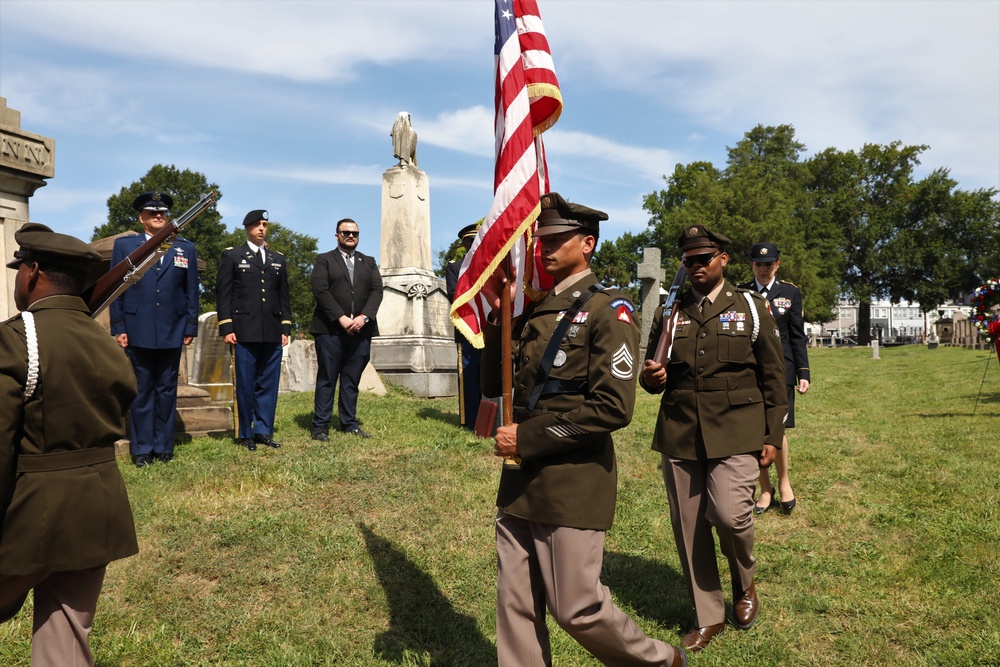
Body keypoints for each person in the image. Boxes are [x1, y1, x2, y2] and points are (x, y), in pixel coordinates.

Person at [481, 193, 688, 667]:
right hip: (521, 478)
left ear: (587, 244)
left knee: (577, 607)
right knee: (515, 605)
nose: (545, 248)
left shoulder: (607, 310)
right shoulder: (537, 307)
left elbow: (612, 408)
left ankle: (661, 661)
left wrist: (527, 440)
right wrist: (499, 314)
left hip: (572, 477)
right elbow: (496, 383)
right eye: (542, 240)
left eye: (557, 239)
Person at [640, 225, 787, 653]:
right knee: (688, 529)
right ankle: (708, 616)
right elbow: (654, 372)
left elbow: (774, 378)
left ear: (723, 259)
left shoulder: (751, 307)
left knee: (729, 515)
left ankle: (744, 584)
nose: (696, 266)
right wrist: (653, 377)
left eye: (704, 258)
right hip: (682, 430)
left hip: (738, 430)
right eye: (689, 260)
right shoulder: (671, 310)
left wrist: (772, 434)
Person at [0, 223, 139, 666]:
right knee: (64, 643)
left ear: (33, 271)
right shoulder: (106, 344)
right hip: (98, 510)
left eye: (19, 268)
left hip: (31, 515)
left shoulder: (15, 338)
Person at [110, 191, 199, 467]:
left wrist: (191, 326)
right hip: (138, 328)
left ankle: (163, 447)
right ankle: (142, 449)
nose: (158, 216)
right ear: (142, 218)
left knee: (167, 390)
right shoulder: (126, 247)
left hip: (173, 329)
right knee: (143, 391)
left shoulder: (185, 247)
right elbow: (117, 288)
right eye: (152, 212)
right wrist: (119, 326)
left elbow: (191, 290)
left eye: (162, 212)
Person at [739, 242, 809, 515]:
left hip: (782, 370)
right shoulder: (741, 292)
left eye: (769, 264)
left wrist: (803, 372)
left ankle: (784, 482)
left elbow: (797, 337)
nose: (764, 269)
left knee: (777, 427)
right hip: (751, 370)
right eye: (759, 264)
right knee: (755, 429)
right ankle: (764, 488)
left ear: (777, 265)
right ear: (751, 265)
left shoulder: (789, 292)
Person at [216, 209, 292, 451]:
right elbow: (224, 293)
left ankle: (263, 430)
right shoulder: (232, 256)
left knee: (268, 384)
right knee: (246, 383)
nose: (262, 228)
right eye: (257, 224)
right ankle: (245, 432)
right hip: (243, 331)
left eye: (265, 224)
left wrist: (286, 327)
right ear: (247, 228)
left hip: (271, 330)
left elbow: (284, 296)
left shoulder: (277, 258)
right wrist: (226, 326)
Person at [309, 218, 383, 440]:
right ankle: (320, 425)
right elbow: (320, 290)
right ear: (337, 235)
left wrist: (364, 317)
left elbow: (377, 291)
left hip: (361, 330)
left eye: (355, 233)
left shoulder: (368, 262)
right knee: (328, 377)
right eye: (346, 232)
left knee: (352, 379)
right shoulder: (324, 260)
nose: (351, 236)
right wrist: (340, 318)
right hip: (330, 329)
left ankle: (349, 422)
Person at [445, 223, 482, 430]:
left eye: (478, 239)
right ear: (464, 243)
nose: (474, 244)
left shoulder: (492, 264)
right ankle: (471, 420)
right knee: (468, 377)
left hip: (489, 329)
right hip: (467, 329)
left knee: (487, 378)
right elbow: (453, 295)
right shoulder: (454, 268)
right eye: (470, 241)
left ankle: (491, 418)